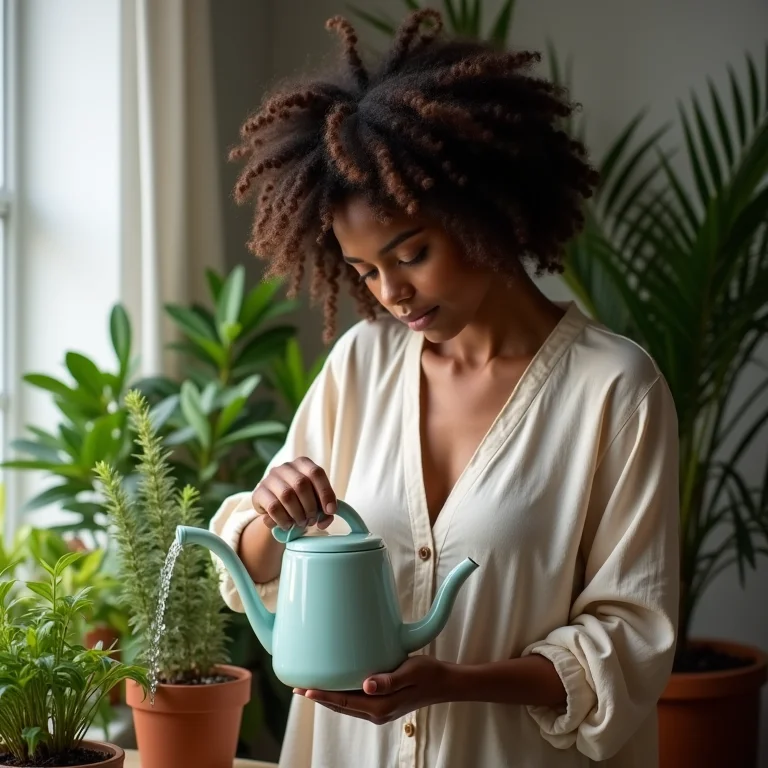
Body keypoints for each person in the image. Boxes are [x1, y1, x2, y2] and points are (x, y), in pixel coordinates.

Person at [210, 10, 680, 768]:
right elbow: (257, 568)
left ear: (481, 209)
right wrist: (274, 513)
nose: (391, 292)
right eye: (364, 271)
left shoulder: (614, 391)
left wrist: (451, 683)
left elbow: (628, 640)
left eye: (412, 253)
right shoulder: (360, 365)